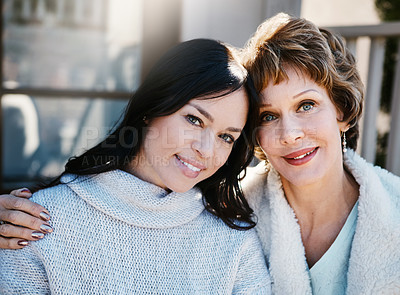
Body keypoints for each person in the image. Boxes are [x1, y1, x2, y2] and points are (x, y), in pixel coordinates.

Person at [0, 38, 271, 294]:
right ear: (151, 109)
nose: (206, 149)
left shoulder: (234, 243)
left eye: (226, 137)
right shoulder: (35, 222)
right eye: (194, 120)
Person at [240, 13, 400, 294]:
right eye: (268, 116)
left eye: (306, 105)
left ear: (343, 111)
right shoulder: (232, 216)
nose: (290, 134)